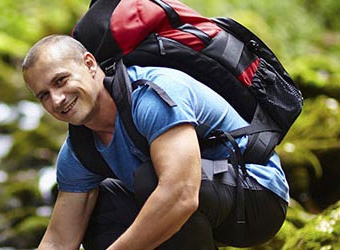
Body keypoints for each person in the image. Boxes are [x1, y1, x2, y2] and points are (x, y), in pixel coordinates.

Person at [21, 34, 289, 250]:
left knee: (152, 181)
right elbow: (58, 241)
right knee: (99, 203)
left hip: (258, 196)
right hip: (199, 201)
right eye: (44, 95)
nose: (56, 100)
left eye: (61, 80)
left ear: (90, 65)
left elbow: (180, 195)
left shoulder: (151, 97)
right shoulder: (78, 151)